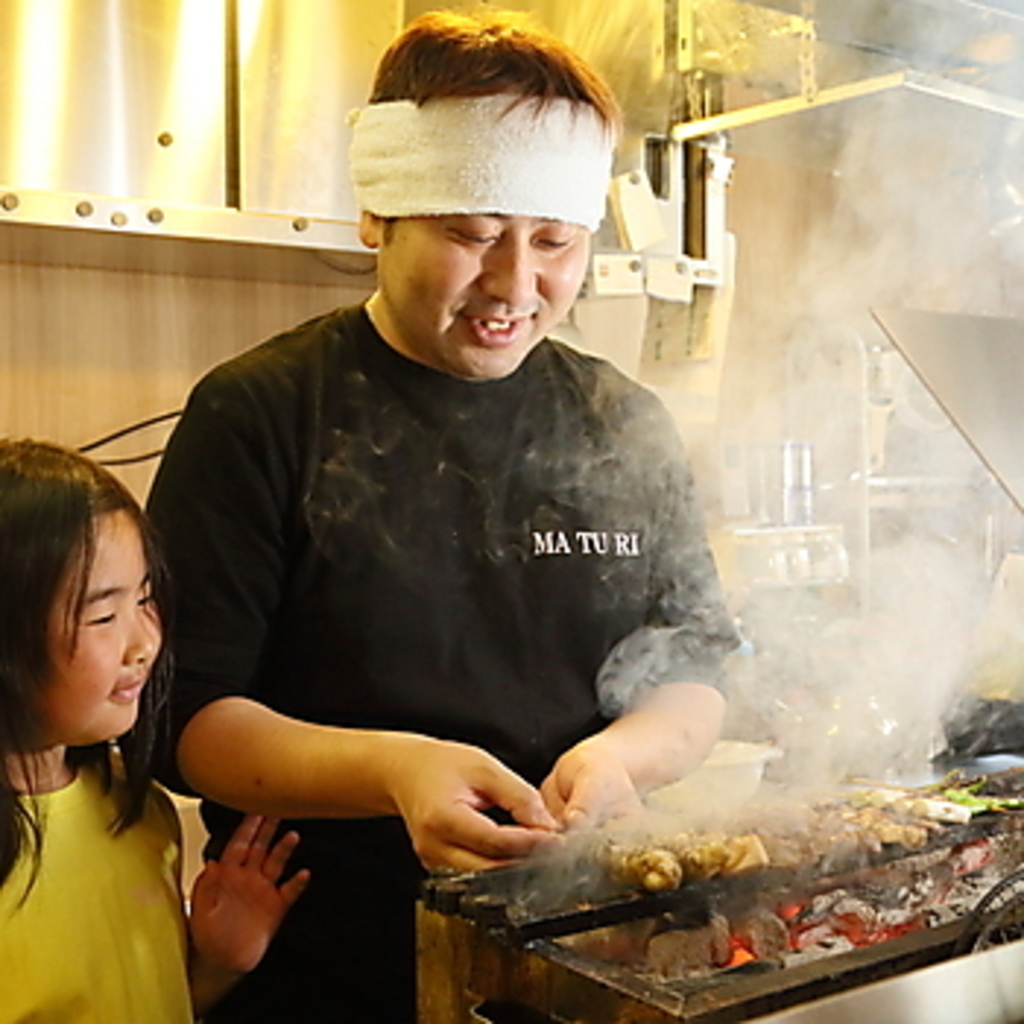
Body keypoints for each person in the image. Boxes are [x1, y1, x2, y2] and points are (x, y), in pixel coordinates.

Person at [147, 8, 739, 1021]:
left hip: (590, 946)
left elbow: (699, 668)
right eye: (471, 235)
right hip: (330, 954)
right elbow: (183, 714)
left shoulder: (619, 419)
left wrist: (618, 755)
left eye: (553, 242)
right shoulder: (262, 412)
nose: (514, 285)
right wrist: (394, 769)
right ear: (379, 216)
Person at [0, 439, 309, 1023]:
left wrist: (218, 962)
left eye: (145, 599)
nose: (144, 643)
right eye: (102, 616)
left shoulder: (136, 806)